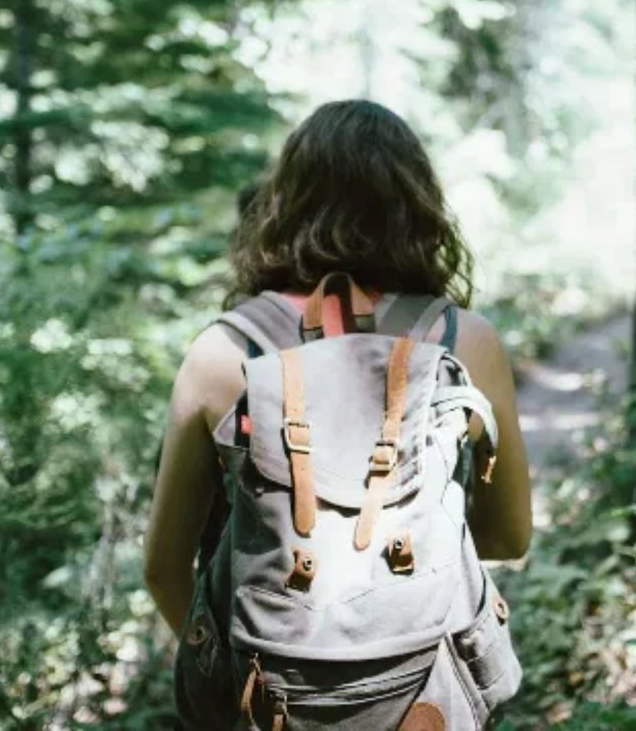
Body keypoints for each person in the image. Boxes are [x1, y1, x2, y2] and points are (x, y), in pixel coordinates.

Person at [144, 99, 532, 724]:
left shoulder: (222, 352)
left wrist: (235, 661)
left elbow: (164, 566)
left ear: (284, 202)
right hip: (424, 697)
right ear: (418, 206)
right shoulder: (465, 341)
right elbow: (507, 536)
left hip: (266, 697)